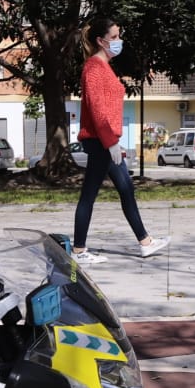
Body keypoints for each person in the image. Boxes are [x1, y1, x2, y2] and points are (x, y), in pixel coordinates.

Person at [71, 16, 169, 264]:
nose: (118, 41)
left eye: (118, 36)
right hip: (100, 141)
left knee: (126, 189)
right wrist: (110, 141)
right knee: (90, 195)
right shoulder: (93, 67)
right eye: (114, 37)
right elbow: (96, 109)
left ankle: (145, 242)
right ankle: (79, 251)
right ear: (100, 41)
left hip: (106, 141)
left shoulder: (104, 66)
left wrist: (112, 140)